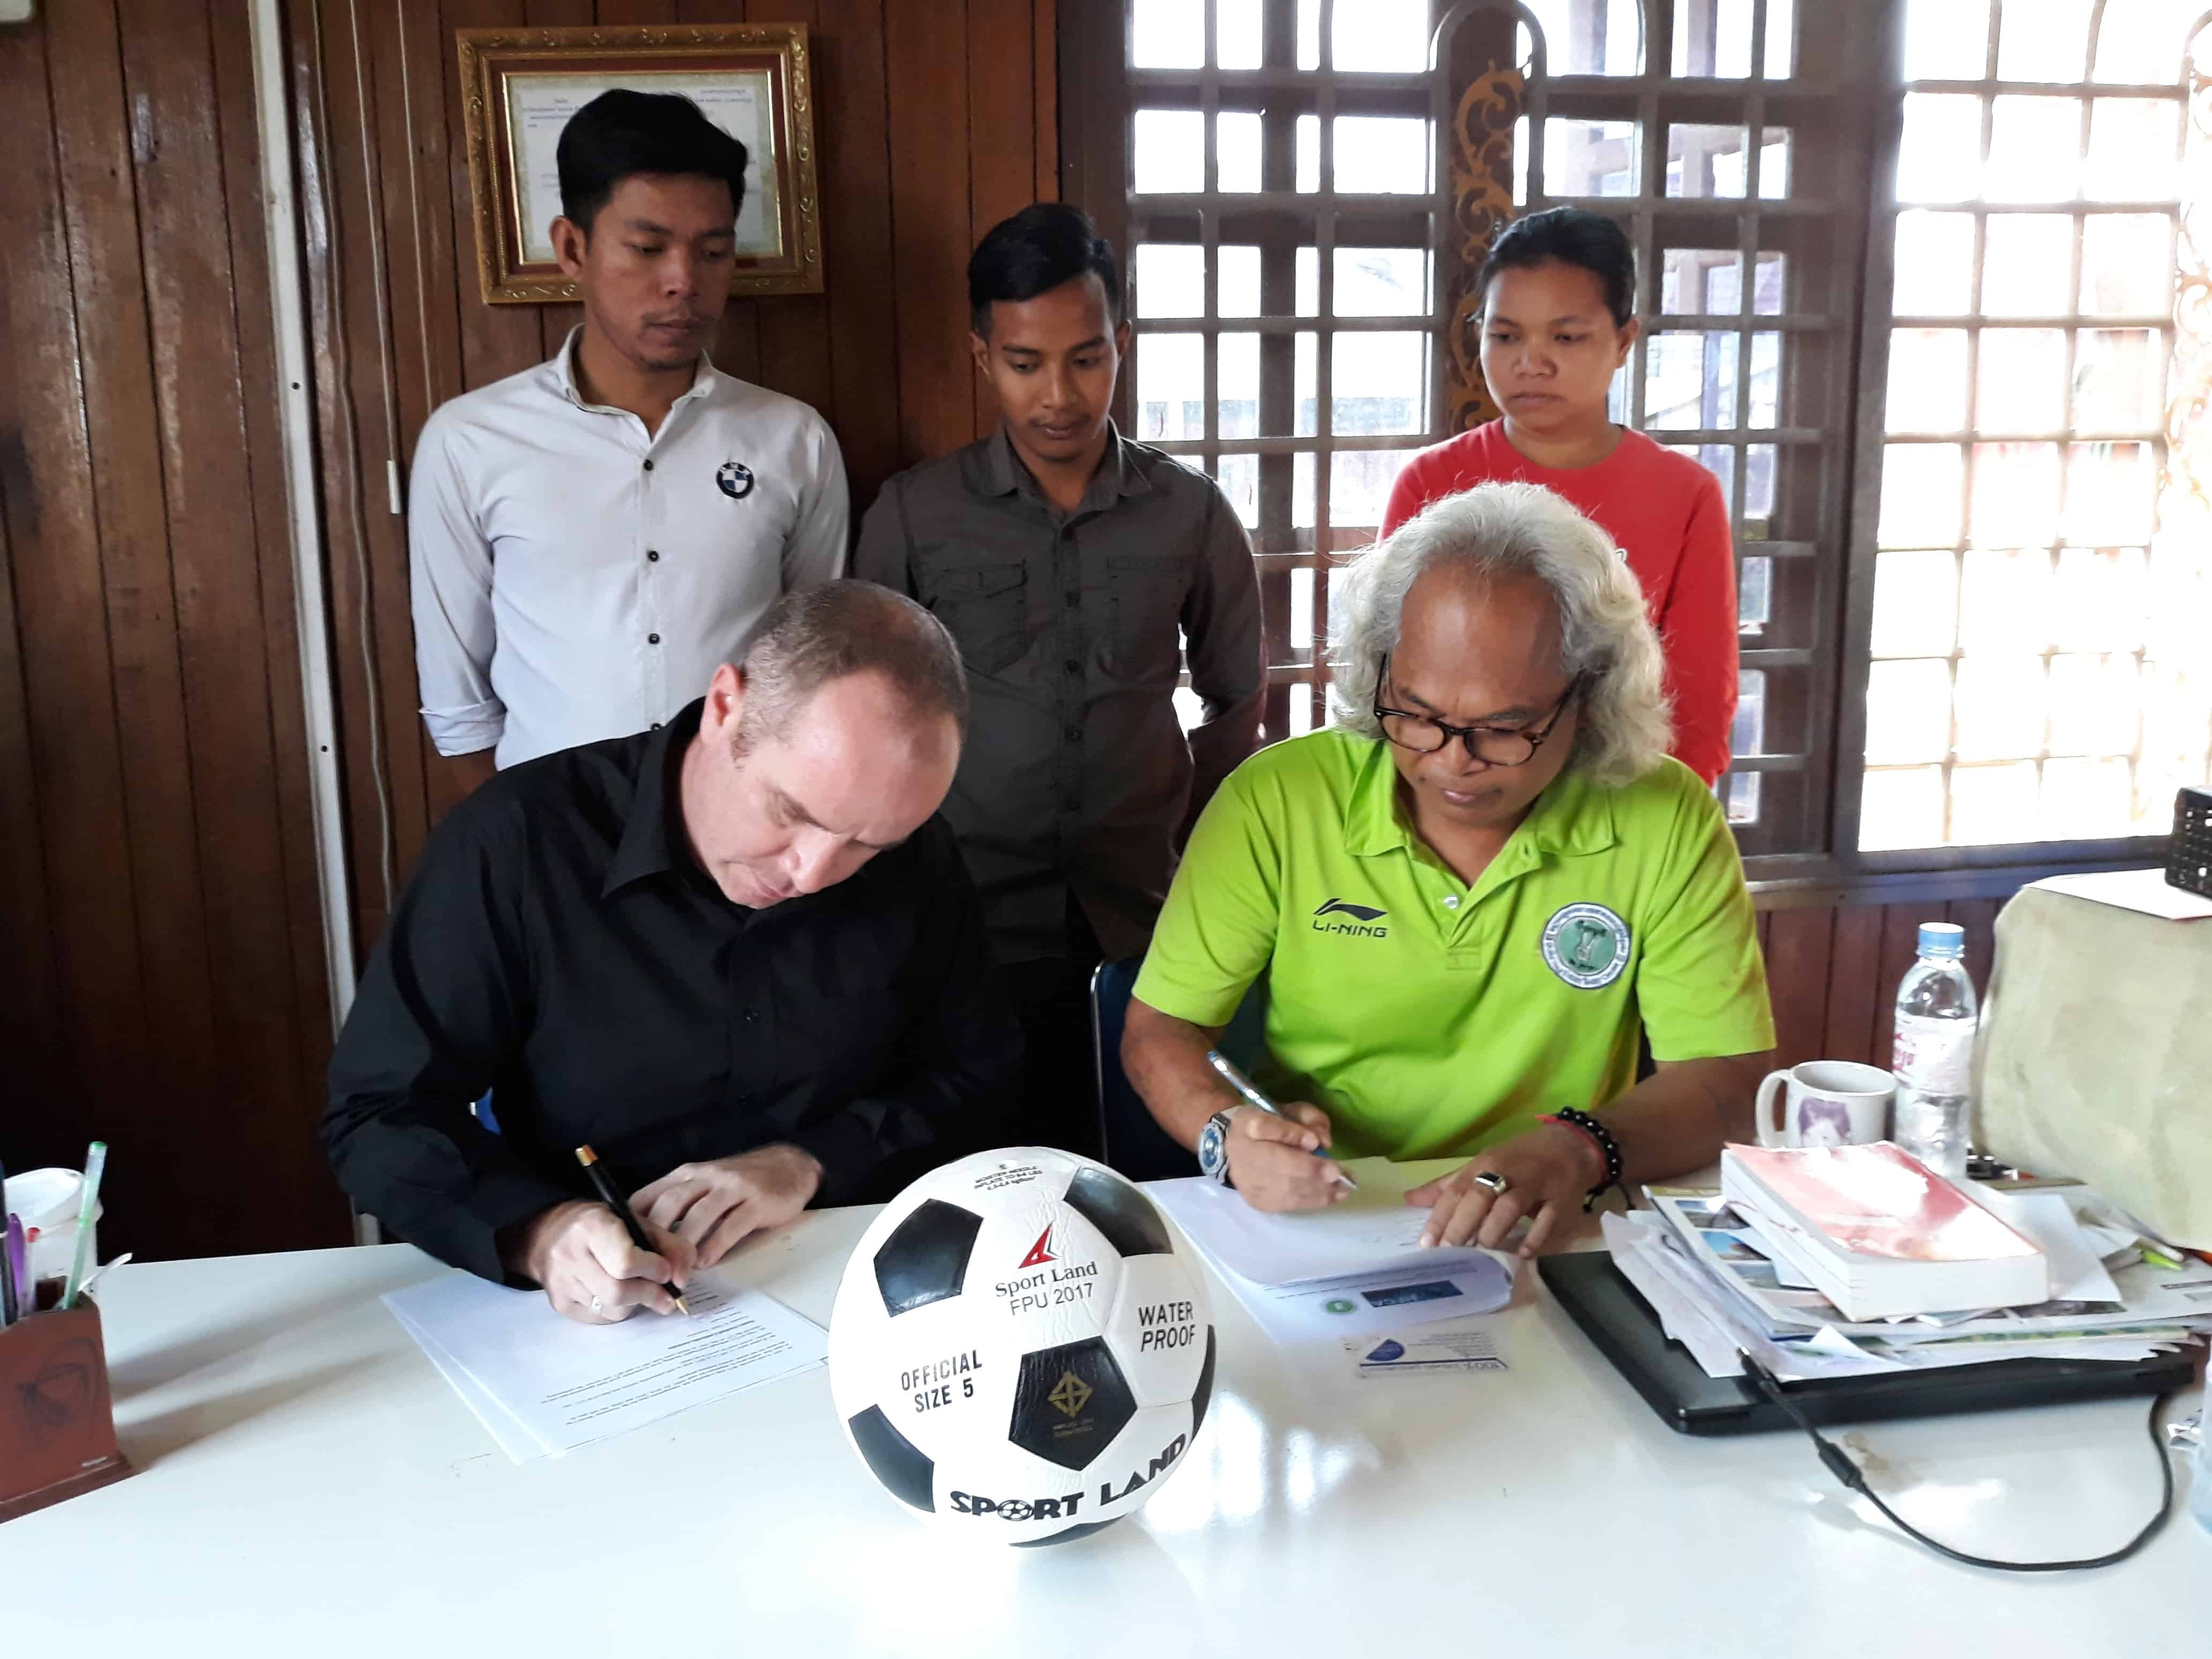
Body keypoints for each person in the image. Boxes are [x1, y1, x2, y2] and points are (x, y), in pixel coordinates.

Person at [325, 582, 1020, 1325]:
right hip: (595, 1308)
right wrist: (539, 1231)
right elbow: (378, 1115)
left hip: (850, 1285)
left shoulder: (918, 860)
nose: (812, 873)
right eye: (790, 812)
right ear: (726, 708)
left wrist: (812, 1161)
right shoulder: (520, 841)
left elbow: (979, 1074)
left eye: (867, 846)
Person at [1124, 483, 1775, 1254]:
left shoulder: (1664, 817)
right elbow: (1160, 1029)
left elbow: (1724, 1082)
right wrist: (1227, 1135)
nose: (1452, 763)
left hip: (1557, 1220)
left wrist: (1581, 1148)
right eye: (1417, 714)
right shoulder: (1280, 800)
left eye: (1504, 728)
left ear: (1591, 697)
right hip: (1332, 1218)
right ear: (1380, 673)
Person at [854, 204, 1264, 1158]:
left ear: (1122, 345)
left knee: (1140, 1159)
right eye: (1024, 362)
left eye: (1086, 359)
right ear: (981, 356)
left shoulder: (1190, 512)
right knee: (991, 1164)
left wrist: (1194, 848)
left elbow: (1236, 693)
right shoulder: (914, 513)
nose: (1058, 396)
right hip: (967, 913)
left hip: (1144, 915)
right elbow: (866, 713)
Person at [409, 88, 849, 788]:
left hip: (739, 818)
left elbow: (811, 668)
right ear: (572, 248)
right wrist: (520, 835)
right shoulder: (472, 442)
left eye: (713, 252)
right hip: (551, 820)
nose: (683, 282)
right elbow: (458, 708)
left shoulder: (793, 440)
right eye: (647, 249)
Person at [1379, 207, 1738, 785]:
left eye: (1567, 337)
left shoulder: (1685, 494)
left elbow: (1699, 703)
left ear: (1624, 341)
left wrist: (1662, 821)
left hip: (1619, 801)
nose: (1531, 363)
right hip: (1458, 790)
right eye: (1505, 336)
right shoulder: (1431, 481)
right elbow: (1388, 673)